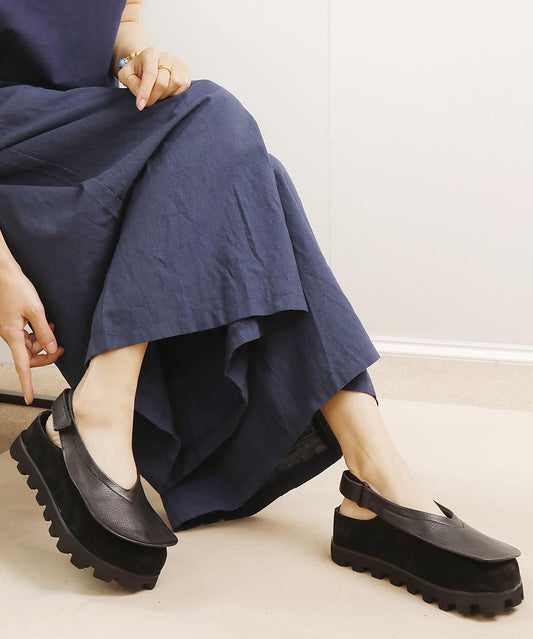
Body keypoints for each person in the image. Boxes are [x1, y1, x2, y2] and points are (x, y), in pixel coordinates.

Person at [0, 0, 523, 615]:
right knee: (216, 117)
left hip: (88, 132)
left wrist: (138, 58)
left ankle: (373, 472)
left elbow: (120, 24)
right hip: (15, 140)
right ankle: (374, 488)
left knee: (245, 164)